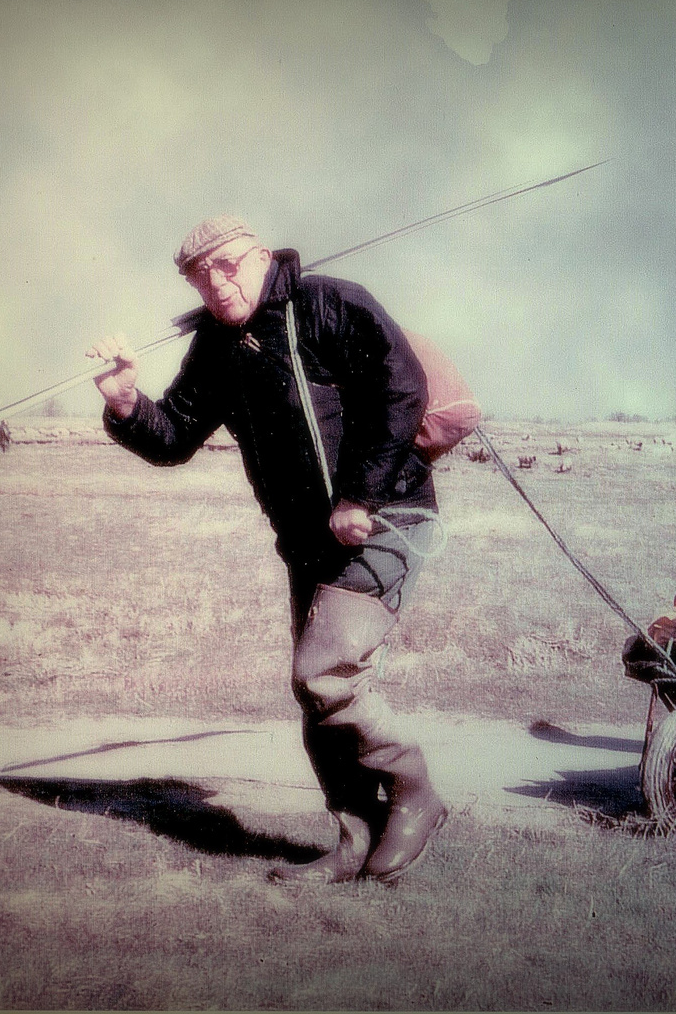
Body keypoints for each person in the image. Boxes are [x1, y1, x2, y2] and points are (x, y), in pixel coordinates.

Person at [87, 215, 448, 882]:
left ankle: (416, 790)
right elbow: (173, 437)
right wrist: (127, 403)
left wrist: (361, 497)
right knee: (317, 696)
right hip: (307, 539)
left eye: (227, 265)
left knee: (323, 673)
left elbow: (403, 392)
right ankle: (351, 842)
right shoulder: (218, 347)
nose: (216, 282)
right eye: (200, 275)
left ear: (259, 256)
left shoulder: (331, 303)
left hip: (388, 515)